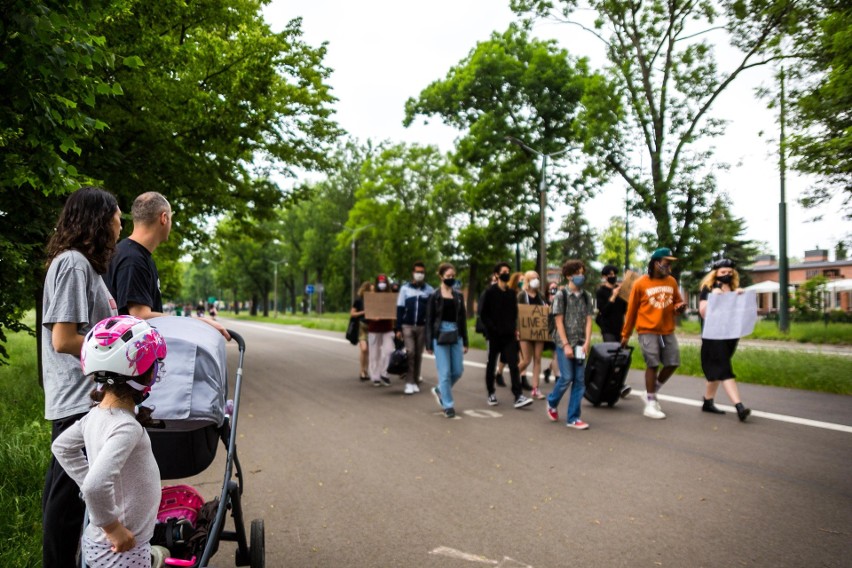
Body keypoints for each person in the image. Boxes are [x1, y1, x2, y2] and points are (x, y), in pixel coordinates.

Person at [40, 187, 122, 567]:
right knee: (68, 500)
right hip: (78, 399)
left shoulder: (85, 266)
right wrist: (119, 355)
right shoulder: (72, 264)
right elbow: (63, 338)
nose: (120, 224)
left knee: (74, 496)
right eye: (116, 217)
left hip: (89, 397)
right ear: (98, 221)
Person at [52, 315, 166, 567]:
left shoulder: (94, 415)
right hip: (121, 548)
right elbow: (94, 487)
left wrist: (89, 484)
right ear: (146, 375)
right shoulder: (126, 427)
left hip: (101, 543)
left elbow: (61, 447)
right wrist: (112, 526)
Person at [106, 191, 229, 340]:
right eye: (171, 218)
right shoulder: (133, 259)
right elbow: (140, 315)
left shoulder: (133, 254)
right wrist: (197, 322)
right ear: (164, 218)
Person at [620, 247, 687, 420]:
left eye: (671, 263)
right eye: (666, 262)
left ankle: (652, 390)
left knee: (673, 362)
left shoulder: (671, 281)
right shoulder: (641, 283)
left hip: (667, 330)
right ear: (656, 263)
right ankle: (650, 403)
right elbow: (632, 310)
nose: (669, 266)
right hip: (647, 330)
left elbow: (677, 303)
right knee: (653, 363)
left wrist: (679, 308)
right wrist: (625, 334)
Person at [698, 259, 752, 421]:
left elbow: (741, 312)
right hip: (714, 335)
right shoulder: (708, 289)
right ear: (715, 273)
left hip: (730, 335)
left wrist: (741, 297)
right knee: (724, 368)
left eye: (729, 272)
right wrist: (713, 298)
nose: (726, 275)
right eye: (723, 272)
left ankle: (708, 402)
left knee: (717, 370)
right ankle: (739, 406)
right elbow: (703, 313)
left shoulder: (735, 289)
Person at [545, 260, 594, 430]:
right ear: (569, 276)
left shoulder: (587, 296)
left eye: (582, 272)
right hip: (564, 341)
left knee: (580, 381)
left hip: (580, 343)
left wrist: (587, 341)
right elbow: (558, 321)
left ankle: (573, 417)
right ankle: (552, 401)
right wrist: (565, 344)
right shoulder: (561, 295)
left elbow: (589, 320)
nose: (581, 276)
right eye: (578, 273)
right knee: (567, 377)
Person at [480, 262, 533, 409]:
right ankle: (491, 393)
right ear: (496, 275)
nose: (506, 273)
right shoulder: (489, 293)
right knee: (491, 364)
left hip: (509, 335)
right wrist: (492, 329)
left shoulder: (511, 294)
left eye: (508, 271)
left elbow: (514, 313)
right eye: (503, 271)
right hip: (494, 336)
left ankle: (518, 395)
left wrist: (514, 329)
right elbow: (483, 314)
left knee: (513, 365)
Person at [425, 263, 469, 418]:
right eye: (448, 276)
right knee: (445, 372)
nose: (451, 278)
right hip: (440, 336)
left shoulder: (458, 296)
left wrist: (465, 341)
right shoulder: (434, 296)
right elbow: (429, 320)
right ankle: (448, 405)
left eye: (453, 276)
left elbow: (462, 319)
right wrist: (429, 343)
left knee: (457, 371)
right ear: (441, 276)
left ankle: (440, 390)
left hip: (456, 334)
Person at [396, 261, 435, 394]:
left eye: (422, 272)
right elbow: (400, 308)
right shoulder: (405, 288)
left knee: (418, 355)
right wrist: (398, 328)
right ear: (413, 273)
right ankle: (409, 382)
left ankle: (415, 381)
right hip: (407, 325)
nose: (420, 274)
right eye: (417, 272)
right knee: (410, 352)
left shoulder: (429, 290)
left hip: (422, 326)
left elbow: (432, 310)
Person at [596, 264, 632, 398]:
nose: (613, 277)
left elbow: (624, 310)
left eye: (614, 274)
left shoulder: (620, 291)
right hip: (607, 328)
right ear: (604, 277)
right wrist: (613, 296)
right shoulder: (601, 292)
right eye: (609, 275)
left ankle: (617, 383)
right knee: (612, 356)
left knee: (623, 357)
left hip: (619, 328)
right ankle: (615, 385)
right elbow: (603, 311)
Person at [518, 270, 546, 399]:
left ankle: (536, 388)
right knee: (526, 360)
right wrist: (516, 330)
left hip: (538, 332)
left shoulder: (541, 297)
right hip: (525, 331)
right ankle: (514, 376)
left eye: (538, 277)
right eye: (534, 278)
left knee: (538, 358)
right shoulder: (521, 295)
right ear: (528, 281)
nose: (537, 280)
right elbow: (517, 313)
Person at [367, 274, 395, 387]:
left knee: (388, 351)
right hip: (374, 329)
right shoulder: (372, 297)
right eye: (380, 282)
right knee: (374, 354)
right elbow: (367, 314)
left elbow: (394, 313)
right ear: (377, 283)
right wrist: (374, 317)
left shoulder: (391, 296)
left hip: (387, 328)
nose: (382, 284)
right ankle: (375, 377)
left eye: (384, 282)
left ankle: (384, 373)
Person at [350, 281, 374, 381]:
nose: (373, 292)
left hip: (372, 326)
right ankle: (362, 370)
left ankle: (366, 371)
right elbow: (352, 314)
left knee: (368, 351)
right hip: (362, 326)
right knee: (364, 349)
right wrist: (363, 312)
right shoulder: (359, 300)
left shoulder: (374, 301)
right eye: (372, 290)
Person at [542, 282, 560, 385]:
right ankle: (548, 370)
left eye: (555, 288)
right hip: (544, 332)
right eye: (552, 288)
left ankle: (557, 376)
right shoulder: (543, 301)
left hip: (555, 332)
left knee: (556, 355)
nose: (554, 289)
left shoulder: (560, 300)